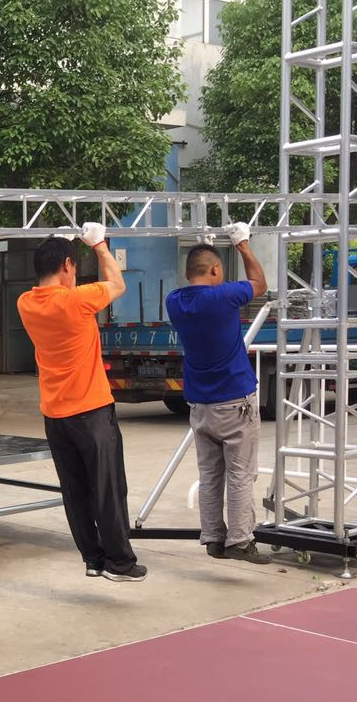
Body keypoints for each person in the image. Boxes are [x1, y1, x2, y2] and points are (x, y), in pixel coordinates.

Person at [17, 224, 146, 582]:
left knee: (75, 491)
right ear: (67, 266)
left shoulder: (25, 303)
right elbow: (118, 284)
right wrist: (100, 245)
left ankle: (93, 559)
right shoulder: (75, 301)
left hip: (55, 414)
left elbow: (61, 292)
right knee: (108, 489)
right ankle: (120, 563)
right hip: (90, 411)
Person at [165, 223, 271, 564]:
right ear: (214, 269)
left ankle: (213, 537)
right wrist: (242, 244)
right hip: (235, 402)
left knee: (210, 474)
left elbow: (199, 285)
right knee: (240, 473)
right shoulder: (224, 296)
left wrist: (205, 246)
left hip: (200, 405)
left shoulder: (174, 301)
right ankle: (240, 540)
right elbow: (259, 284)